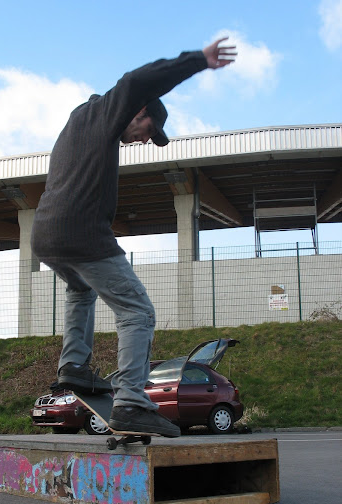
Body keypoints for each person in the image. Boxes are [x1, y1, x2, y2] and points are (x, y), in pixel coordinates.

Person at [31, 37, 236, 437]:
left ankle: (73, 365)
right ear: (137, 109)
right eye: (148, 128)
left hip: (47, 235)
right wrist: (198, 60)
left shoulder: (80, 120)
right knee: (138, 312)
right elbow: (140, 79)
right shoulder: (111, 110)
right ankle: (131, 402)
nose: (145, 139)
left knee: (80, 291)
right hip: (83, 234)